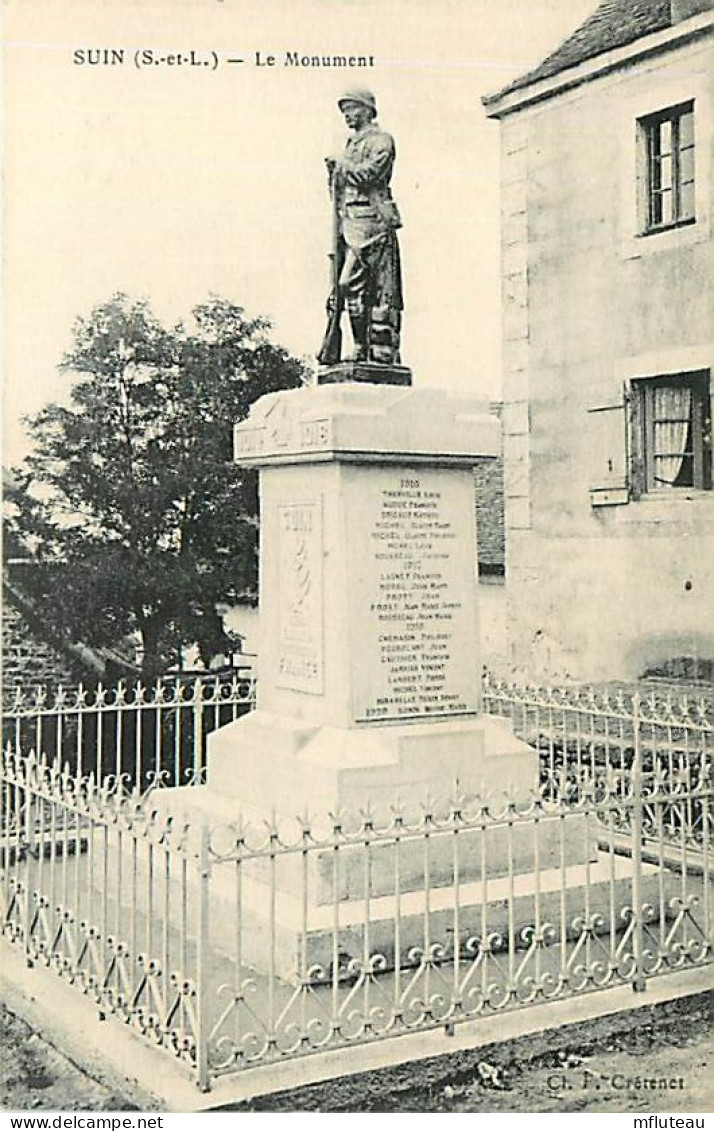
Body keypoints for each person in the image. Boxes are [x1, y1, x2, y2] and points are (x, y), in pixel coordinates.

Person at [318, 89, 404, 367]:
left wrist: (340, 166)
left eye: (352, 109)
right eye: (344, 111)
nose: (347, 116)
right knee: (350, 290)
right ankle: (359, 349)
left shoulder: (381, 140)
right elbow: (339, 190)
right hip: (349, 221)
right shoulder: (350, 145)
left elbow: (371, 174)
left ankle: (373, 349)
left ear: (367, 110)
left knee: (354, 284)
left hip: (371, 221)